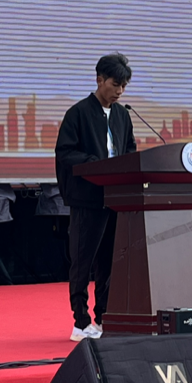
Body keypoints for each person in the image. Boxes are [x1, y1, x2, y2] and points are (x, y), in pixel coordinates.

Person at [55, 54, 137, 341]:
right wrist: (96, 164)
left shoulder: (123, 115)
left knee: (109, 262)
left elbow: (129, 151)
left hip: (115, 198)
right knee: (82, 261)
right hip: (87, 199)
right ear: (100, 80)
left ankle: (104, 317)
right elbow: (65, 153)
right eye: (115, 84)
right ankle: (80, 322)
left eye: (124, 86)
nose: (120, 91)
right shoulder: (78, 113)